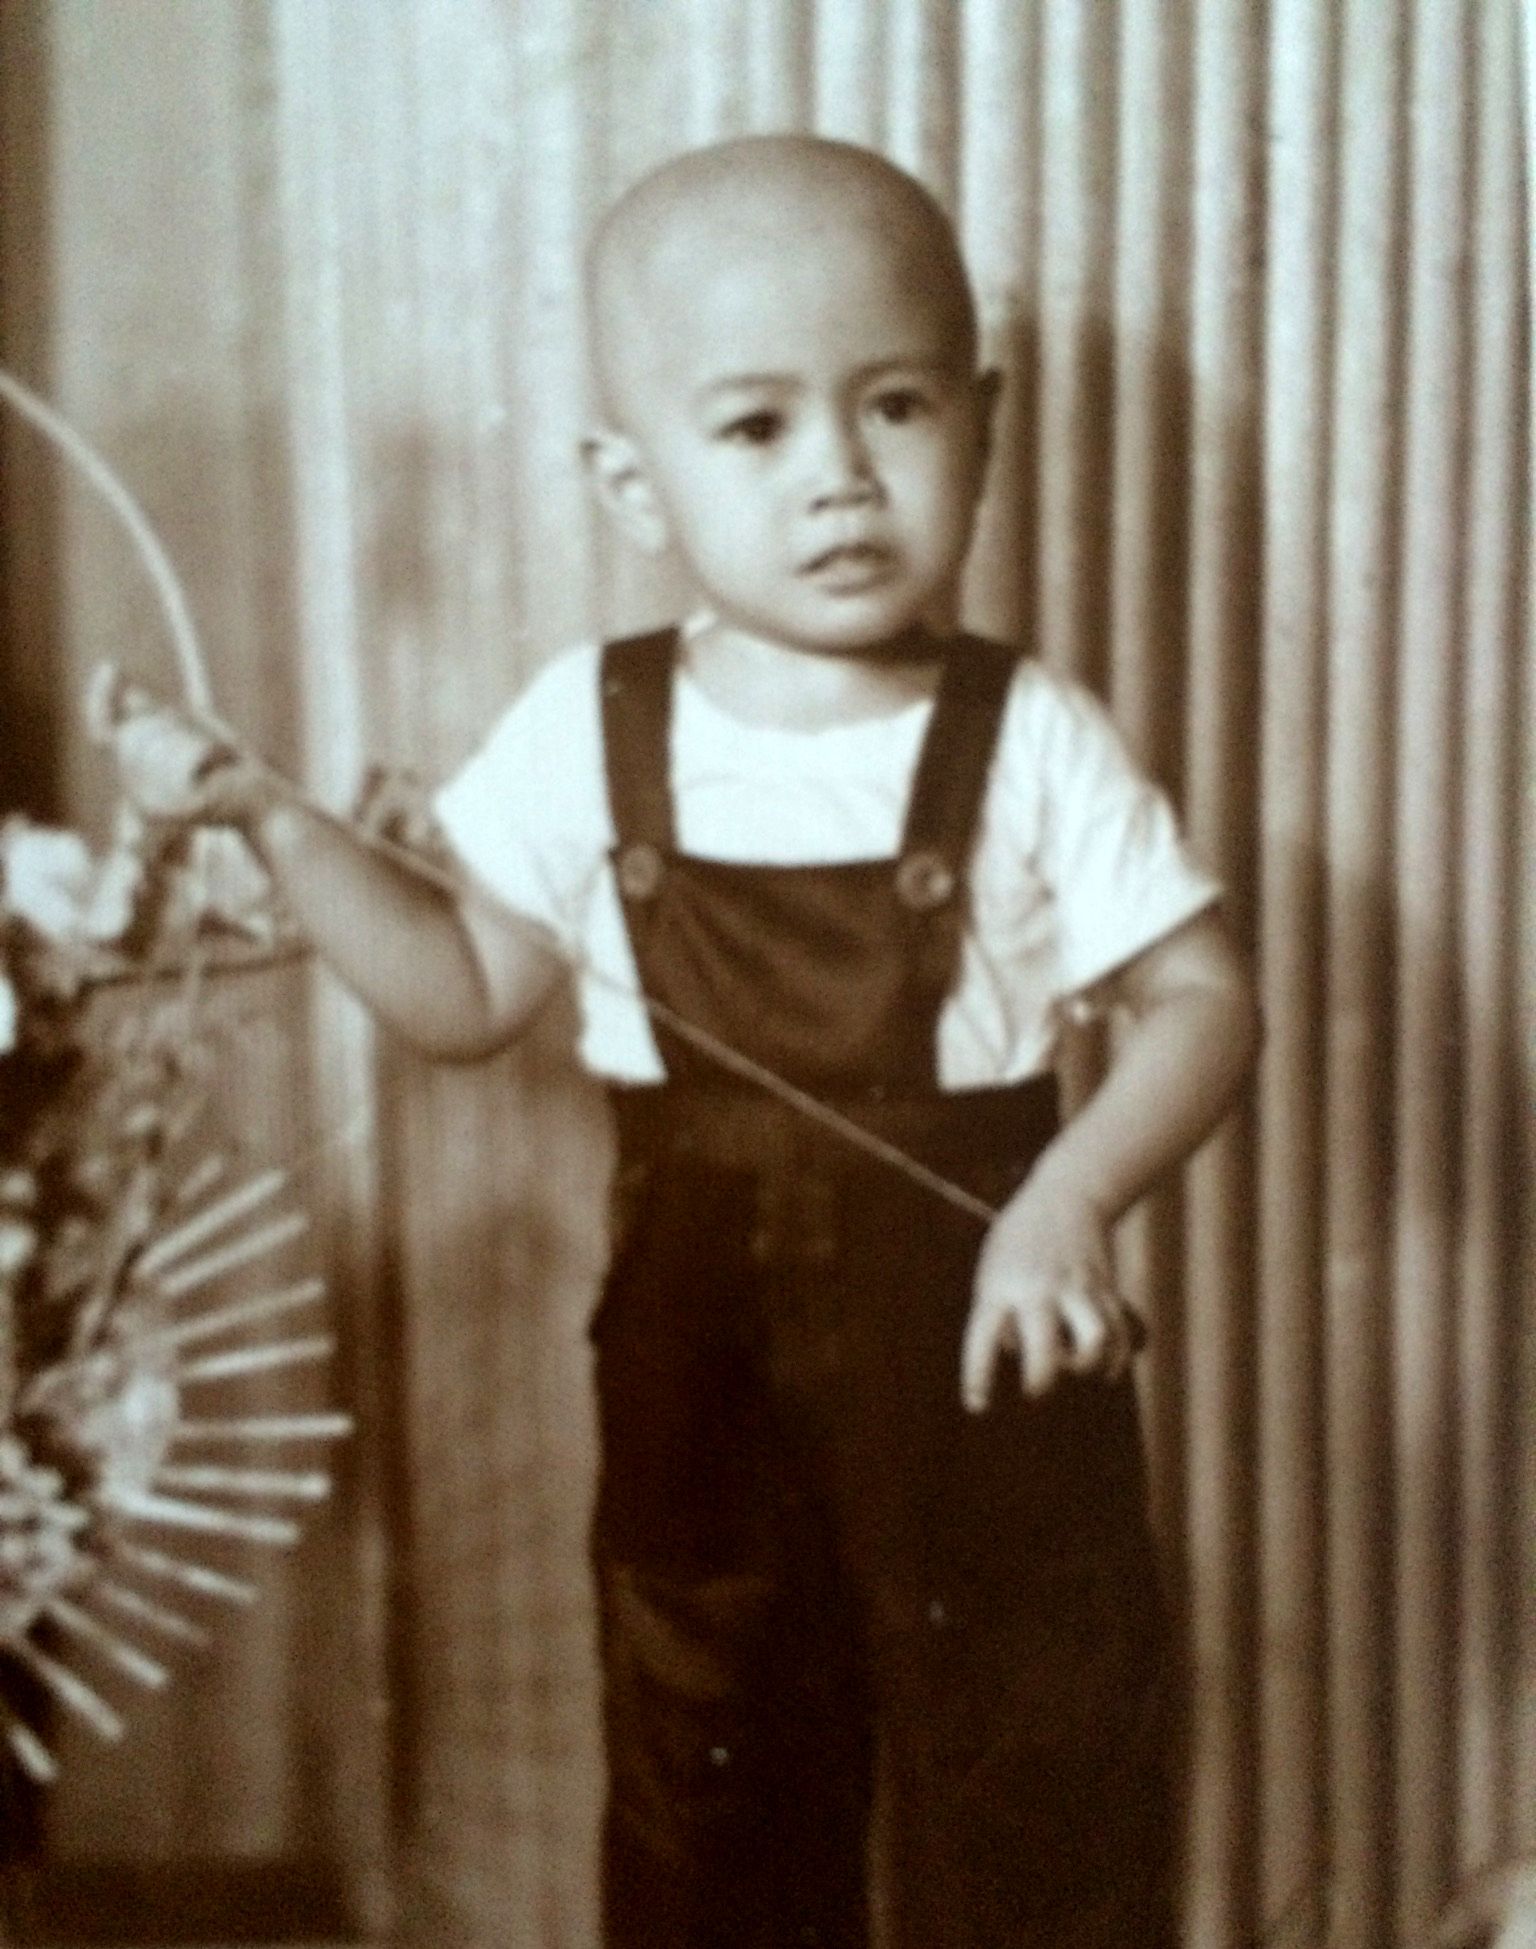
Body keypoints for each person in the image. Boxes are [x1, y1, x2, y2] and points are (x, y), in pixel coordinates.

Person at [110, 135, 1260, 1949]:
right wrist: (271, 818)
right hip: (697, 1380)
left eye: (896, 407)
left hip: (988, 1360)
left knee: (1032, 1793)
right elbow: (462, 994)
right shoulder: (588, 724)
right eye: (757, 427)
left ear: (986, 423)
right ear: (631, 486)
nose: (840, 478)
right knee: (707, 1793)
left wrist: (1070, 1194)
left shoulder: (1029, 732)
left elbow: (1203, 1001)